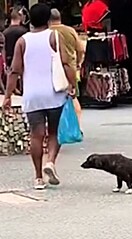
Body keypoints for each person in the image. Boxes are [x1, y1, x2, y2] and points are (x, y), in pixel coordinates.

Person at [2, 3, 76, 190]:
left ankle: (37, 178)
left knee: (36, 135)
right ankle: (50, 162)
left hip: (32, 94)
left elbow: (15, 71)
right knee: (54, 132)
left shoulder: (22, 41)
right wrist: (72, 84)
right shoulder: (54, 36)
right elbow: (66, 63)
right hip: (54, 92)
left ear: (30, 20)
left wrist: (8, 95)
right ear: (48, 20)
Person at [49, 8, 84, 127]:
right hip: (70, 69)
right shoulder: (70, 31)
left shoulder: (47, 32)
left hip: (52, 71)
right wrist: (78, 63)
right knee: (73, 97)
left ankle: (55, 127)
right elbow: (81, 49)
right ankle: (76, 127)